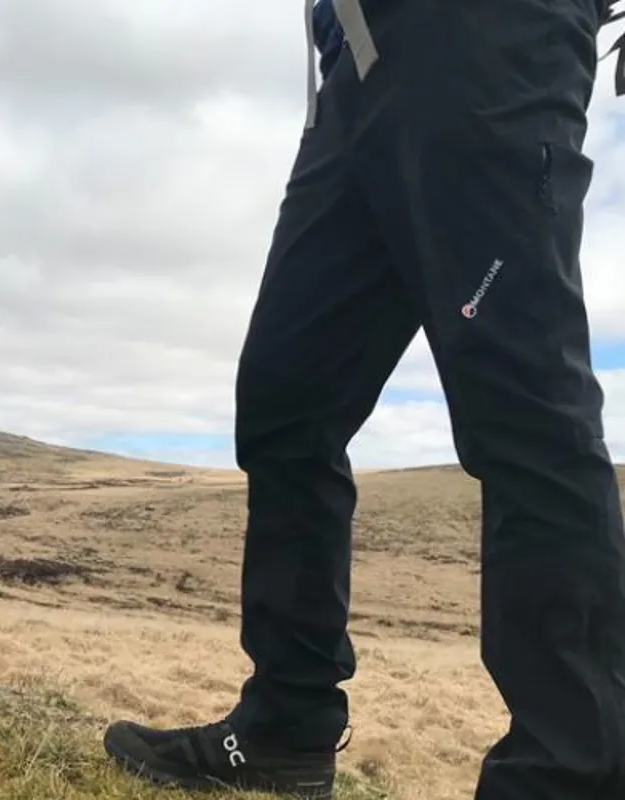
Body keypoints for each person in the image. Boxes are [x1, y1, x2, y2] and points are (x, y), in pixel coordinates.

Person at [103, 1, 625, 798]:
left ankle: (571, 776)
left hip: (488, 36)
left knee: (523, 407)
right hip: (352, 58)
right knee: (287, 400)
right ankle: (284, 729)